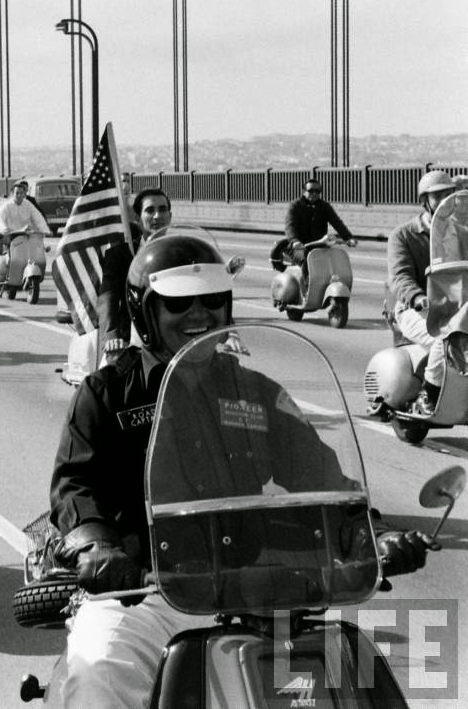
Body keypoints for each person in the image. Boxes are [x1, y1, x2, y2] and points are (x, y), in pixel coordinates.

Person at [44, 232, 435, 707]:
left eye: (212, 300)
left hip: (254, 595)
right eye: (179, 302)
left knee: (359, 684)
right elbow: (75, 485)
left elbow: (321, 476)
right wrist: (96, 548)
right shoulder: (107, 395)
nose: (199, 314)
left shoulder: (255, 392)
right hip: (144, 597)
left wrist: (371, 533)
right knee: (99, 675)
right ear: (145, 311)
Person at [389, 169, 460, 414]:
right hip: (416, 309)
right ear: (424, 201)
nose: (444, 201)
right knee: (446, 338)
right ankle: (428, 395)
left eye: (449, 195)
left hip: (456, 308)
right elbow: (400, 276)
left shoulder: (460, 233)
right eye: (437, 196)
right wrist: (417, 297)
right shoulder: (404, 235)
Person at [96, 188, 172, 355]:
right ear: (137, 218)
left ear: (170, 216)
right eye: (150, 210)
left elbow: (206, 293)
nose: (157, 216)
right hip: (133, 340)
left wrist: (228, 332)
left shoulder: (182, 252)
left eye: (162, 209)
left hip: (176, 336)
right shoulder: (119, 255)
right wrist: (111, 335)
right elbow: (108, 297)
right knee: (110, 376)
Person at [276, 178, 357, 274]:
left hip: (320, 245)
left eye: (318, 191)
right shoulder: (295, 206)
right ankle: (307, 287)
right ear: (303, 191)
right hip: (300, 247)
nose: (314, 193)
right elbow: (290, 226)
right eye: (310, 191)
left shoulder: (325, 206)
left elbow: (337, 223)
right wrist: (295, 241)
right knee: (307, 260)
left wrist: (348, 238)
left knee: (334, 259)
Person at [0, 179, 49, 255]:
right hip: (12, 236)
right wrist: (5, 229)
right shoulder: (6, 206)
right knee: (10, 255)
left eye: (21, 193)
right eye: (17, 193)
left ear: (24, 194)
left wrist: (44, 230)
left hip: (26, 235)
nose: (19, 195)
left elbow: (37, 217)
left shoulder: (28, 205)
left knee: (37, 250)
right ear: (13, 193)